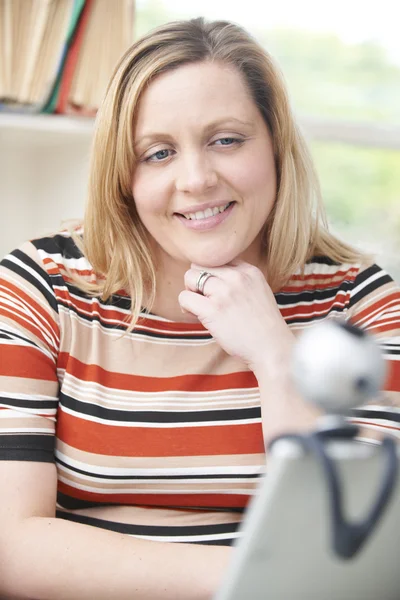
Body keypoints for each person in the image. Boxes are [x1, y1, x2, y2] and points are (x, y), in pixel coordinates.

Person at [0, 16, 399, 600]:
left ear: (276, 146)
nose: (196, 179)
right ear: (123, 176)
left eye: (226, 140)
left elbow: (358, 548)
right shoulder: (41, 288)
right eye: (158, 153)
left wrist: (275, 356)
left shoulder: (361, 302)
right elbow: (10, 546)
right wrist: (249, 581)